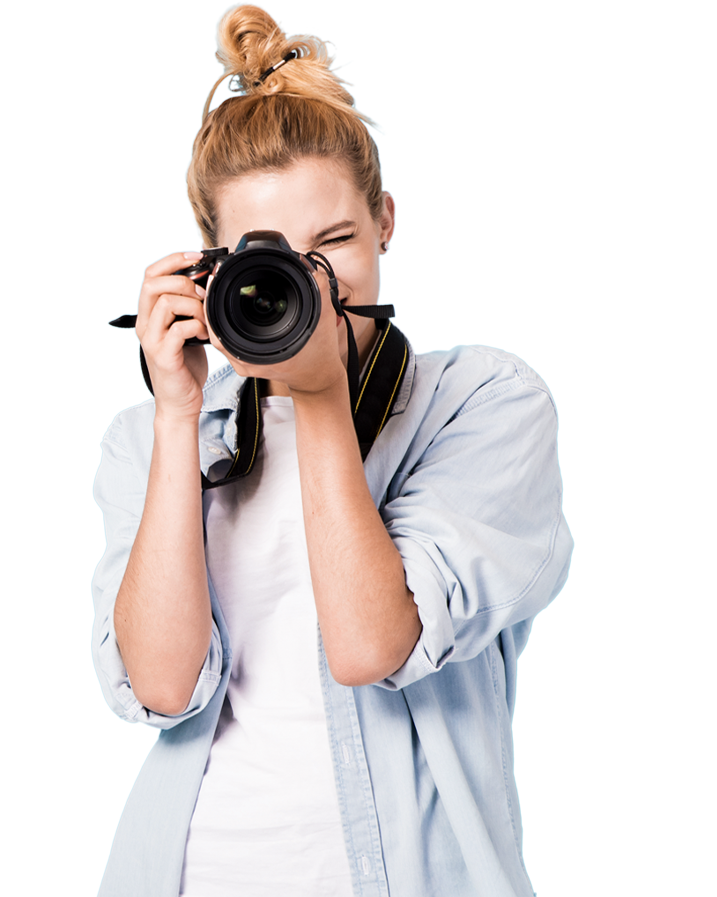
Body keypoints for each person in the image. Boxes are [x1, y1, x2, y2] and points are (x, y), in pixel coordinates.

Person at [92, 6, 573, 896]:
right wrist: (175, 412)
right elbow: (160, 685)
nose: (309, 281)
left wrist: (317, 395)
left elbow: (371, 646)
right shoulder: (148, 440)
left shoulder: (482, 405)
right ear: (212, 265)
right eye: (271, 257)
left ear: (385, 220)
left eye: (336, 242)